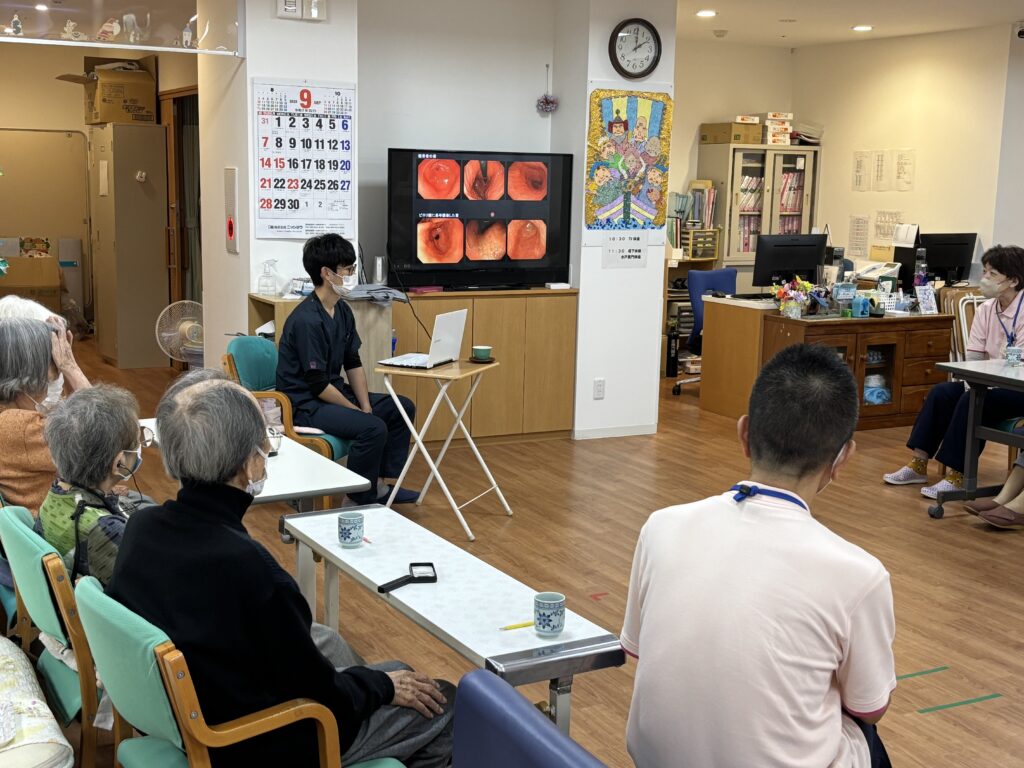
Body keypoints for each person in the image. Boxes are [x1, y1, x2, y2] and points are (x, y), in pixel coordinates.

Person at [107, 376, 454, 768]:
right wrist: (380, 686)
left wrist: (379, 683)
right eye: (264, 443)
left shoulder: (142, 527)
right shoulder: (252, 570)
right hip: (260, 739)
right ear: (248, 463)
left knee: (398, 675)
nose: (268, 450)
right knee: (442, 700)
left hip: (189, 713)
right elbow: (326, 698)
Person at [622, 344, 895, 768]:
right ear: (843, 458)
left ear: (744, 434)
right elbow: (870, 707)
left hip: (653, 760)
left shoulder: (661, 526)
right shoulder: (859, 574)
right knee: (864, 733)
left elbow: (638, 650)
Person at [276, 233, 419, 505]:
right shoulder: (307, 320)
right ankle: (357, 497)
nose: (352, 275)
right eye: (348, 269)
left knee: (401, 408)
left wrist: (365, 405)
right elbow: (317, 384)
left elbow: (352, 362)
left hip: (332, 394)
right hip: (305, 405)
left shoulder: (341, 310)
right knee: (372, 428)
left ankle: (380, 485)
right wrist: (355, 411)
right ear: (326, 273)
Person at [884, 245, 1024, 498]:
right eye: (985, 271)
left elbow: (1018, 364)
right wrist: (974, 382)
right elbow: (975, 356)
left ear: (1013, 280)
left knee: (973, 401)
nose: (985, 278)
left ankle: (958, 474)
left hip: (1017, 388)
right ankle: (918, 463)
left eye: (992, 274)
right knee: (942, 393)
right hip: (991, 381)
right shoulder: (986, 309)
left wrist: (981, 386)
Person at [37, 385, 147, 586]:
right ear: (119, 463)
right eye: (137, 443)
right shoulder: (108, 531)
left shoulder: (56, 493)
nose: (140, 448)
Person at [0, 316, 90, 511]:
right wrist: (70, 367)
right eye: (51, 356)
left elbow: (74, 414)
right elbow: (105, 432)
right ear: (29, 369)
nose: (57, 360)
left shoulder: (12, 414)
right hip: (57, 523)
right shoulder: (19, 426)